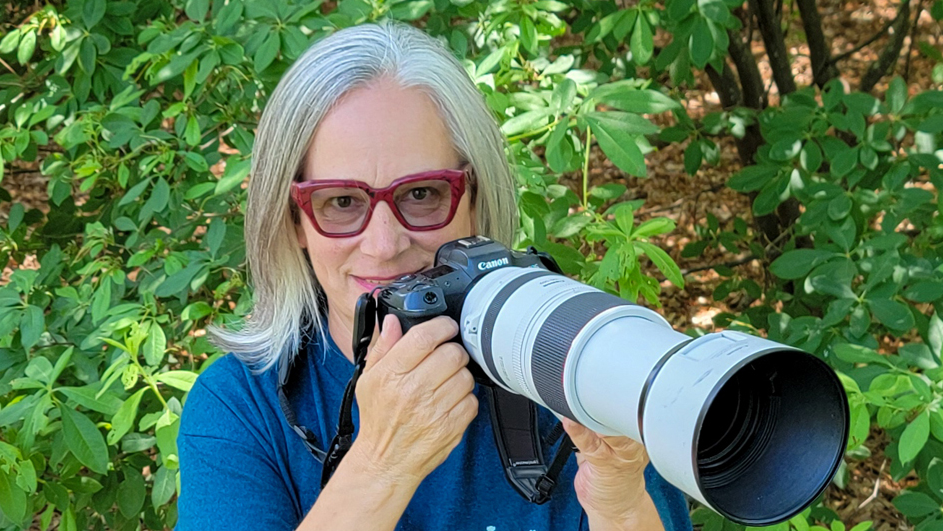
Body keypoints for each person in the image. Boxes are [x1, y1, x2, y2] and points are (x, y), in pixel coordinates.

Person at [176, 20, 694, 531]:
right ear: (293, 223)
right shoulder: (242, 406)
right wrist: (381, 464)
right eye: (340, 202)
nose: (384, 245)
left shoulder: (576, 364)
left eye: (421, 194)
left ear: (475, 197)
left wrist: (621, 505)